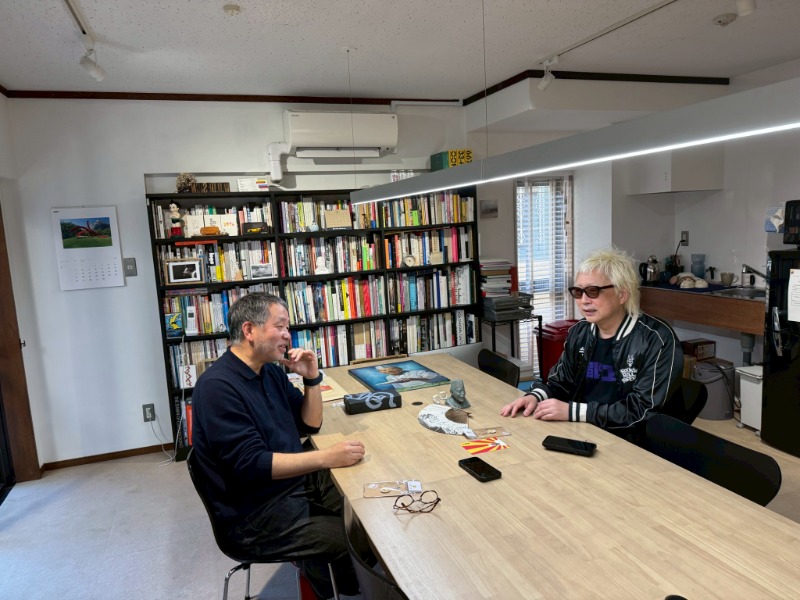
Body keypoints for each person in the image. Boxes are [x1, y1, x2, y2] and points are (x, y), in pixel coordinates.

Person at [191, 293, 364, 599]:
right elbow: (252, 465)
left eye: (288, 327)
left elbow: (309, 423)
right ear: (249, 330)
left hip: (289, 485)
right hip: (254, 515)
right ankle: (336, 587)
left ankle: (333, 572)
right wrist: (325, 457)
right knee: (350, 538)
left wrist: (312, 378)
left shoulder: (269, 370)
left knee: (364, 504)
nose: (287, 335)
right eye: (280, 326)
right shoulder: (217, 387)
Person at [500, 247, 682, 444]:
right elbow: (560, 382)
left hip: (637, 443)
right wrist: (535, 397)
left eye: (593, 291)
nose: (584, 301)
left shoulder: (657, 339)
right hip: (585, 431)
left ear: (622, 295)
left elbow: (641, 411)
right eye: (578, 292)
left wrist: (573, 411)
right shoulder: (580, 332)